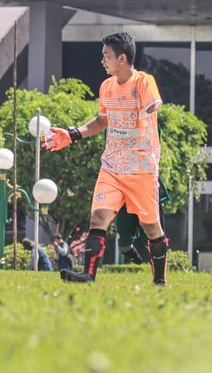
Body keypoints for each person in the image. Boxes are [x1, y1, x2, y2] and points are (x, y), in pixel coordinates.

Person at [44, 32, 169, 285]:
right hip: (111, 166)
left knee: (151, 228)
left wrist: (148, 108)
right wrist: (72, 134)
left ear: (122, 58)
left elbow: (154, 104)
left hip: (141, 169)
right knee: (98, 218)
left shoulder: (144, 82)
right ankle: (89, 276)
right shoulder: (106, 87)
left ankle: (159, 280)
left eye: (106, 56)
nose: (102, 61)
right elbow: (103, 120)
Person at [116, 177, 168, 264]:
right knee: (124, 247)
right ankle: (137, 258)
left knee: (155, 240)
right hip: (124, 190)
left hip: (146, 192)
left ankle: (159, 274)